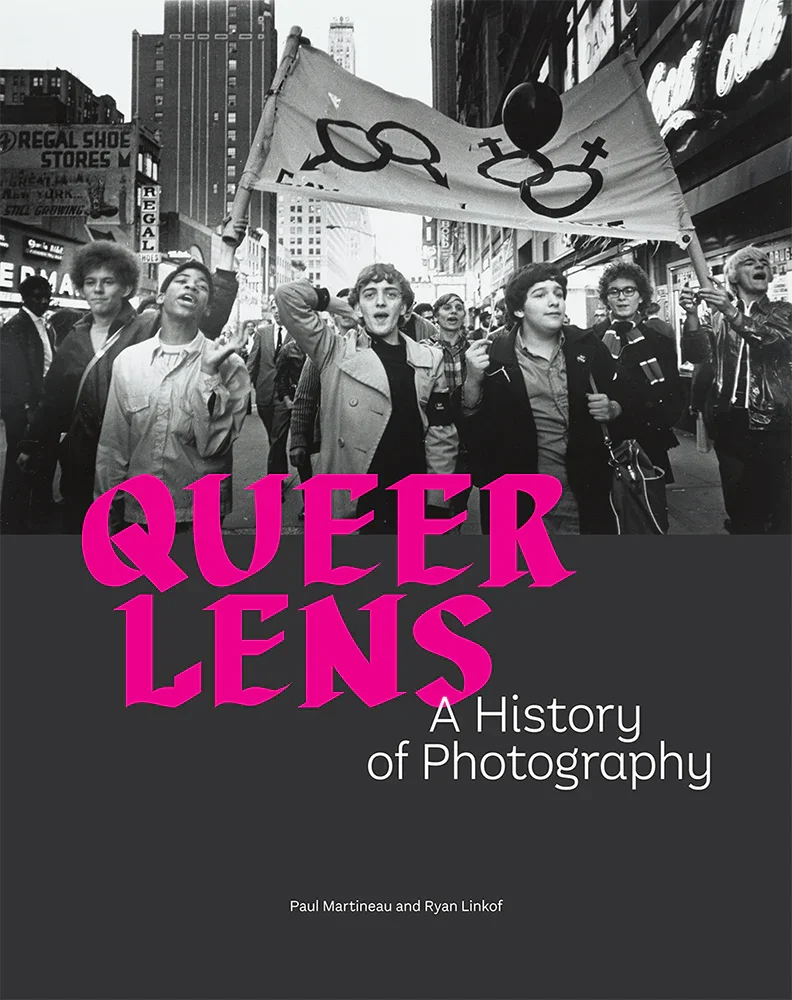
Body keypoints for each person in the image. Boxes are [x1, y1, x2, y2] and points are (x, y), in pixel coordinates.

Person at [18, 243, 238, 533]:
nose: (98, 290)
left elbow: (199, 312)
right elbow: (53, 399)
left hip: (132, 456)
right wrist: (32, 444)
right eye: (90, 282)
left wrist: (226, 256)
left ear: (126, 287)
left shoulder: (146, 324)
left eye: (108, 282)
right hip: (81, 458)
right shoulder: (74, 335)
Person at [275, 264, 458, 532]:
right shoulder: (334, 350)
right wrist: (345, 307)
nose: (380, 301)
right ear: (358, 307)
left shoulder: (430, 359)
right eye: (370, 294)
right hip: (354, 496)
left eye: (391, 294)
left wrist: (437, 501)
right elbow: (287, 295)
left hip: (411, 492)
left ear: (404, 308)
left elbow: (441, 436)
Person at [460, 263, 627, 534]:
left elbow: (628, 397)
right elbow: (473, 430)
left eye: (558, 293)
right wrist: (472, 381)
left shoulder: (588, 345)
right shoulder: (494, 356)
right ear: (518, 309)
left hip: (584, 494)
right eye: (540, 295)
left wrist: (614, 408)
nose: (554, 301)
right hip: (520, 502)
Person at [95, 263, 250, 530]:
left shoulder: (231, 366)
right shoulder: (128, 361)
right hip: (139, 512)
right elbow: (113, 445)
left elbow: (213, 446)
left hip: (200, 516)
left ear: (208, 308)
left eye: (201, 286)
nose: (191, 286)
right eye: (182, 280)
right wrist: (107, 510)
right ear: (160, 297)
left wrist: (209, 372)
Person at [680, 245, 791, 534]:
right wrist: (691, 316)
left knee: (778, 507)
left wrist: (730, 311)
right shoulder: (718, 317)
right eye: (750, 262)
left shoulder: (784, 312)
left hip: (774, 424)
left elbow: (771, 341)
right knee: (739, 505)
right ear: (733, 276)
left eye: (764, 262)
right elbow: (697, 355)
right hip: (729, 421)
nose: (760, 265)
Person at [596, 262, 684, 481]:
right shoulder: (592, 339)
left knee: (648, 500)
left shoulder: (659, 342)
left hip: (648, 441)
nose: (622, 297)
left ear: (641, 296)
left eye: (629, 290)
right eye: (614, 292)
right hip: (604, 443)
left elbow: (673, 396)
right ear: (606, 298)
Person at [0, 275, 55, 532]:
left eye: (46, 296)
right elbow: (14, 373)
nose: (43, 301)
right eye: (37, 296)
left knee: (39, 460)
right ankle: (12, 520)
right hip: (24, 409)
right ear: (25, 298)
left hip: (41, 406)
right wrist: (27, 409)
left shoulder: (44, 325)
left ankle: (34, 514)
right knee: (20, 461)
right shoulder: (16, 327)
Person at [427, 292, 472, 518]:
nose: (453, 311)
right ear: (436, 316)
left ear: (464, 315)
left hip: (467, 434)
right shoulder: (424, 350)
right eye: (447, 307)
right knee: (435, 503)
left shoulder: (475, 350)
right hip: (435, 435)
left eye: (458, 307)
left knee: (460, 500)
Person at [247, 303, 293, 485]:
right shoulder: (262, 333)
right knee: (274, 438)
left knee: (278, 437)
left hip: (286, 395)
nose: (276, 310)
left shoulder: (296, 332)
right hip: (264, 391)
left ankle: (273, 484)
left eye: (280, 307)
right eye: (274, 307)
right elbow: (252, 361)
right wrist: (243, 388)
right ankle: (281, 472)